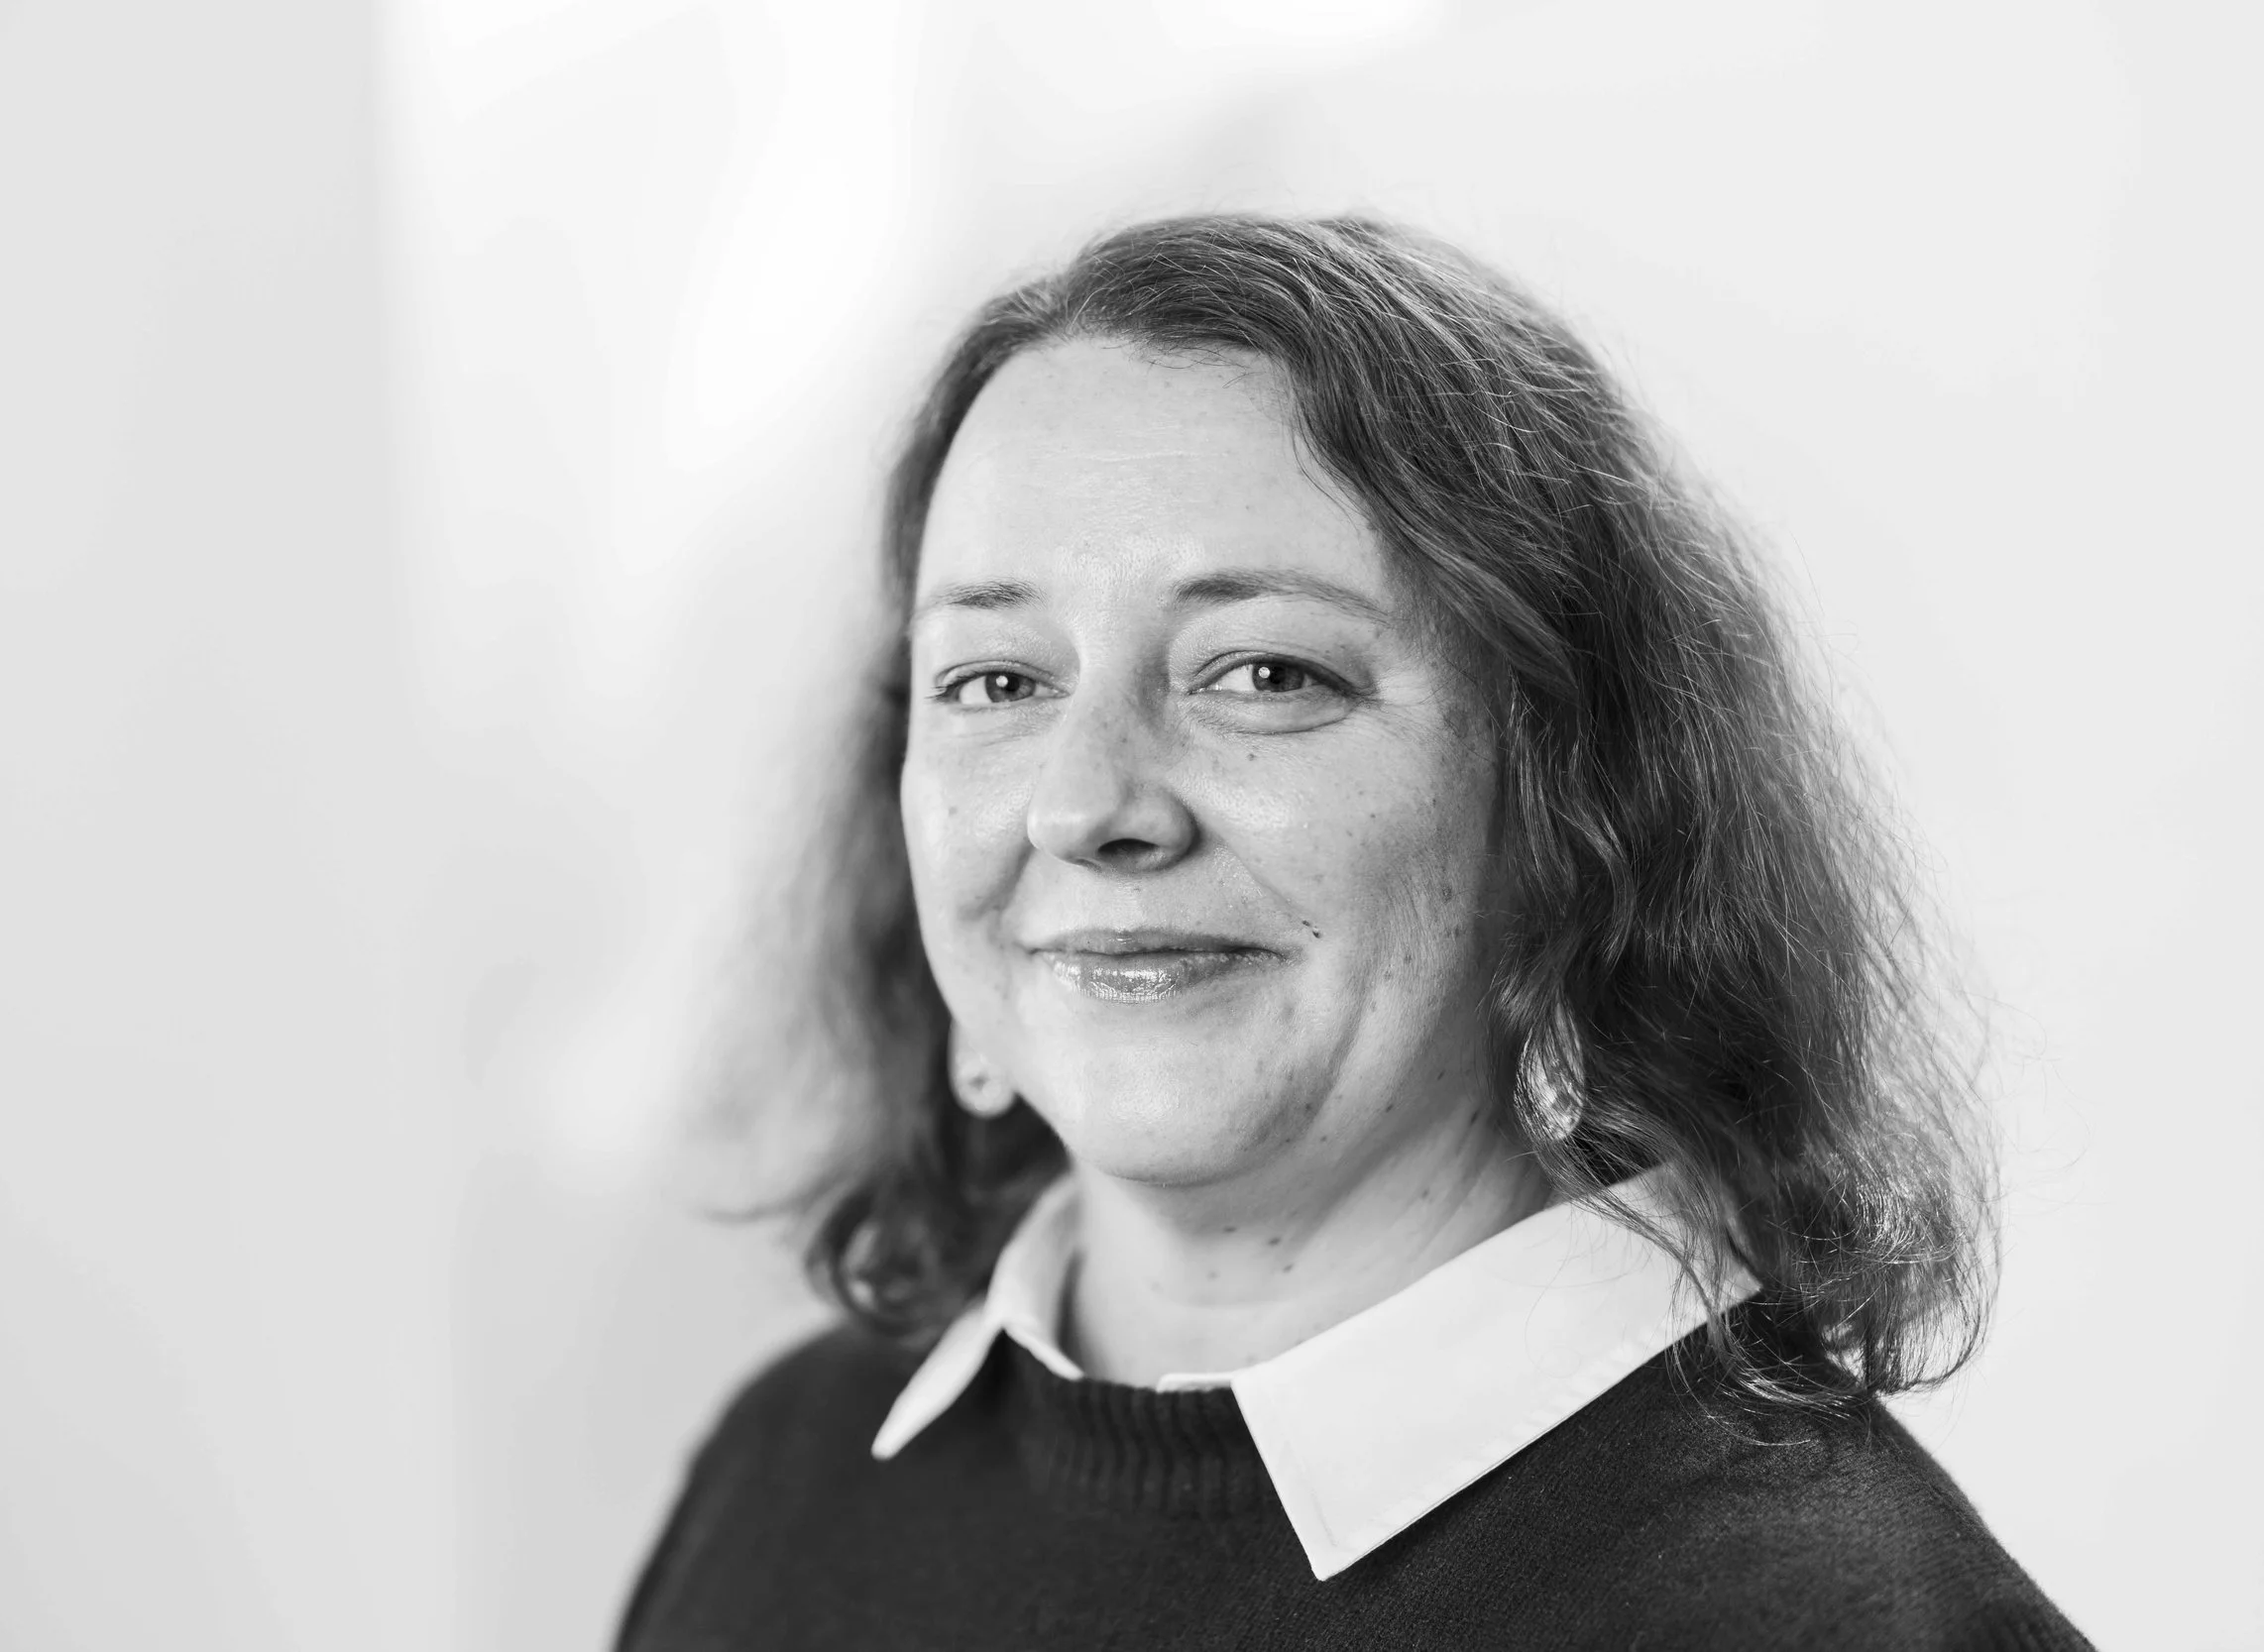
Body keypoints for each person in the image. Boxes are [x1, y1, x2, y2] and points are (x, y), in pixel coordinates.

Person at [616, 214, 2087, 1650]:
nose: (1087, 803)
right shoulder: (787, 1469)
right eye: (996, 680)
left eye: (1263, 671)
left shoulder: (1833, 1615)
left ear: (1570, 803)